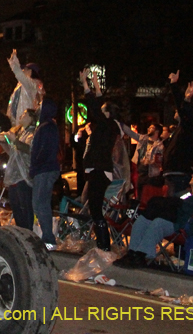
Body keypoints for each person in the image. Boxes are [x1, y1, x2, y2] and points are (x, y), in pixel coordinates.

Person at [80, 67, 120, 250]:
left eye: (103, 110)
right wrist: (95, 84)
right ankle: (102, 243)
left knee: (96, 208)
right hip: (98, 169)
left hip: (99, 170)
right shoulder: (109, 126)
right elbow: (98, 104)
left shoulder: (108, 125)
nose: (99, 112)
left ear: (107, 113)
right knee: (94, 207)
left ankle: (104, 245)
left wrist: (86, 84)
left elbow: (95, 105)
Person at [162, 72, 193, 197]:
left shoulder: (188, 127)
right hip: (173, 174)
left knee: (176, 203)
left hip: (179, 175)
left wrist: (175, 87)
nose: (176, 111)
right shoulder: (180, 129)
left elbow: (182, 109)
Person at [30, 98, 60, 249]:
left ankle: (48, 239)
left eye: (40, 106)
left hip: (44, 169)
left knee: (40, 203)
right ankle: (47, 237)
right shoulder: (48, 126)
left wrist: (35, 162)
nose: (37, 108)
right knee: (41, 203)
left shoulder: (46, 127)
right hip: (45, 168)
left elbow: (42, 149)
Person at [0, 109, 35, 232]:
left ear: (31, 118)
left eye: (25, 114)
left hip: (23, 176)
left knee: (25, 206)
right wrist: (4, 141)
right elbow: (12, 152)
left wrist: (14, 140)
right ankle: (21, 232)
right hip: (15, 175)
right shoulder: (20, 133)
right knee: (16, 207)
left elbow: (28, 149)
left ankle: (28, 233)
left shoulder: (32, 134)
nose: (21, 115)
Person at [6, 50, 44, 126]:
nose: (22, 71)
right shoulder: (21, 85)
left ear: (31, 71)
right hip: (17, 120)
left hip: (25, 119)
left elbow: (19, 74)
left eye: (25, 69)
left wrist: (13, 62)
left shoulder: (32, 84)